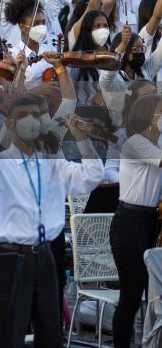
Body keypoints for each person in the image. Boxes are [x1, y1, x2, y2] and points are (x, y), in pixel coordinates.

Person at [0, 95, 104, 348]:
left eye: (36, 115)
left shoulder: (53, 163)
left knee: (50, 331)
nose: (31, 121)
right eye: (23, 115)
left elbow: (93, 176)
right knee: (10, 332)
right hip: (10, 258)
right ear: (8, 124)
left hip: (45, 255)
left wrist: (82, 138)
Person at [110, 93, 162, 347]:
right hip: (129, 222)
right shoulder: (136, 142)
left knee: (151, 291)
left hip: (150, 220)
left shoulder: (158, 141)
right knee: (131, 295)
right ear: (149, 116)